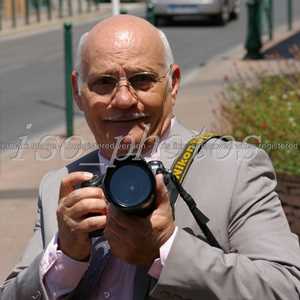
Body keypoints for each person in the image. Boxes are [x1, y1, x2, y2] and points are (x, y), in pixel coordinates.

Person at [1, 15, 300, 300]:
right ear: (78, 93)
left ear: (173, 84)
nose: (123, 99)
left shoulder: (234, 169)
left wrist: (167, 247)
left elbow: (286, 287)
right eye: (103, 82)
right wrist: (64, 257)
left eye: (142, 79)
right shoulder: (60, 187)